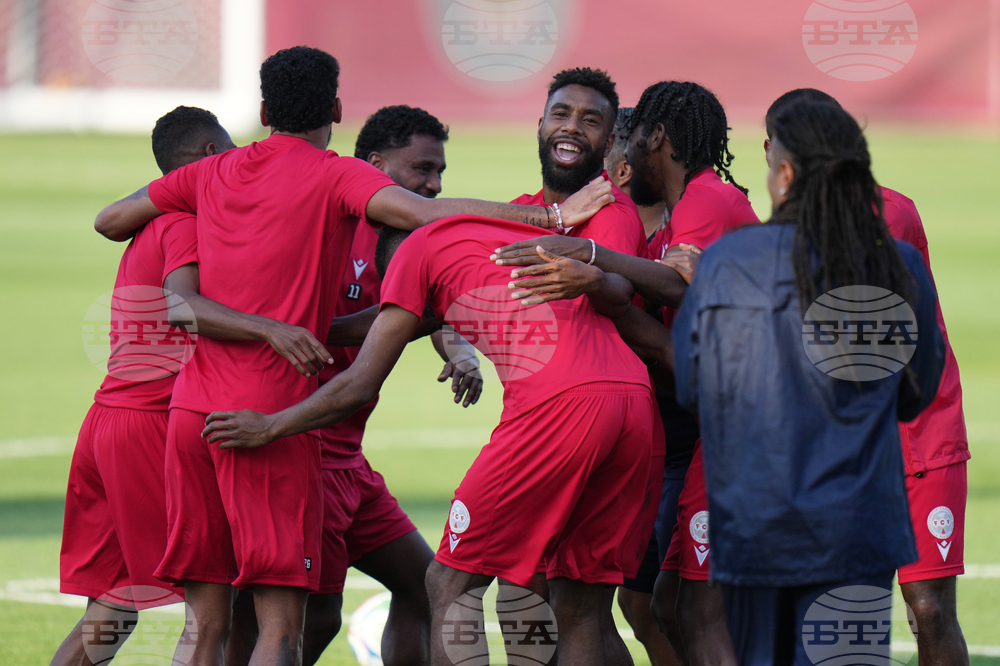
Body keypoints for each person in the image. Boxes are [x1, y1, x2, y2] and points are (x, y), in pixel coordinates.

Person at [90, 47, 612, 666]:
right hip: (273, 418)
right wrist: (548, 215)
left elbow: (111, 220)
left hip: (191, 414)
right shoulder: (334, 174)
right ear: (336, 107)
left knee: (206, 627)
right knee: (282, 627)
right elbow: (424, 215)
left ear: (262, 109)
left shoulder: (213, 172)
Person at [199, 214, 659, 666]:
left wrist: (269, 425)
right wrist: (298, 331)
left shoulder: (413, 253)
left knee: (449, 583)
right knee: (581, 608)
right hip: (636, 402)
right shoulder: (485, 241)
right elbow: (398, 323)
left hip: (561, 407)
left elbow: (360, 383)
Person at [494, 80, 758, 666]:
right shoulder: (664, 227)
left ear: (648, 140)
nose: (620, 155)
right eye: (560, 115)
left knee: (573, 599)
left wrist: (596, 268)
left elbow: (664, 318)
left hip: (701, 430)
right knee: (645, 604)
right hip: (676, 434)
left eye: (621, 138)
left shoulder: (688, 207)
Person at [673, 100, 945, 664]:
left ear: (787, 174)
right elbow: (917, 393)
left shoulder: (727, 262)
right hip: (855, 528)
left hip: (754, 525)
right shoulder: (896, 264)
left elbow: (694, 387)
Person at [51, 106, 323, 666]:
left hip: (108, 420)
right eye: (228, 151)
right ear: (204, 158)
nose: (240, 166)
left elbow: (110, 222)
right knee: (212, 616)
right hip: (154, 421)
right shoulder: (186, 221)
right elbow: (183, 306)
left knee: (116, 600)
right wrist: (272, 329)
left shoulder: (150, 219)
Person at [225, 104, 482, 666]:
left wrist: (458, 348)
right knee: (300, 619)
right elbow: (382, 319)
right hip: (305, 447)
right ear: (373, 164)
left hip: (348, 461)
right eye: (421, 170)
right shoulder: (325, 225)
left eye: (440, 172)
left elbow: (431, 304)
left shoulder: (406, 240)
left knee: (424, 585)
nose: (433, 186)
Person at [764, 89, 971, 666]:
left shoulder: (891, 212)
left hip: (921, 428)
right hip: (850, 444)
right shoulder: (779, 229)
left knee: (929, 607)